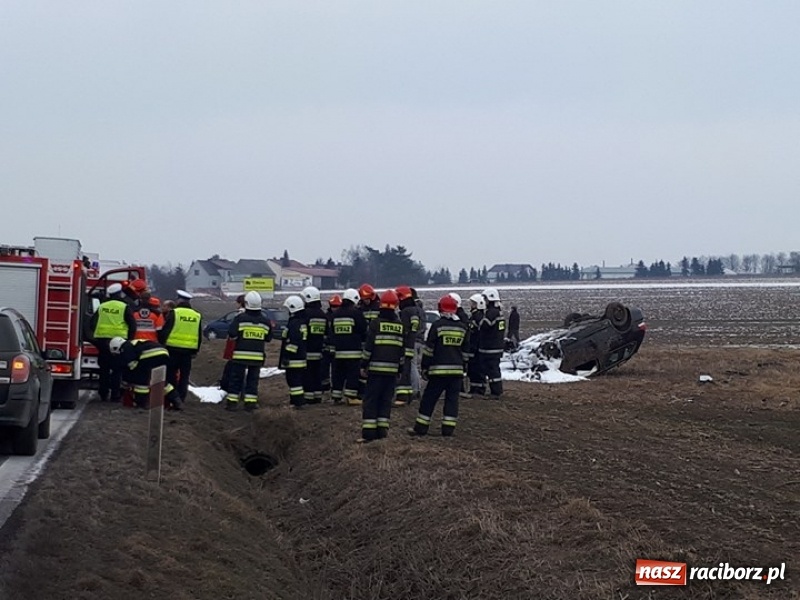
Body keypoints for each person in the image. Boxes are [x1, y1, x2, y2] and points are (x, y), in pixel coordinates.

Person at [409, 294, 469, 437]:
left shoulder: (437, 325)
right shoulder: (462, 327)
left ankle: (421, 428)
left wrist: (425, 367)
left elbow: (429, 349)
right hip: (456, 373)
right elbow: (466, 351)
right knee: (452, 401)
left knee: (429, 399)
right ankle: (448, 430)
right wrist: (464, 367)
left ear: (440, 308)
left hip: (438, 371)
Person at [358, 290, 405, 442]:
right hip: (391, 372)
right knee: (385, 401)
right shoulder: (400, 326)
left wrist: (363, 365)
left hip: (375, 371)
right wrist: (400, 369)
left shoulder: (375, 324)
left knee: (371, 400)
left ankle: (369, 434)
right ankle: (382, 433)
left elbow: (369, 348)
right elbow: (401, 351)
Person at [224, 291, 272, 411]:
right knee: (252, 381)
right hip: (257, 357)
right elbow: (269, 338)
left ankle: (232, 404)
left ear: (246, 303)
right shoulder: (265, 321)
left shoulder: (240, 318)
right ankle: (250, 404)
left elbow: (232, 334)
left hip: (240, 356)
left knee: (236, 380)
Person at [90, 282, 137, 402]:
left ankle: (103, 393)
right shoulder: (124, 306)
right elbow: (132, 324)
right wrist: (129, 340)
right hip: (119, 342)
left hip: (103, 341)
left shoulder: (102, 306)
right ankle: (115, 395)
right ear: (119, 293)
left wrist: (96, 336)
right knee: (117, 369)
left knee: (104, 369)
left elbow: (92, 323)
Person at [109, 337, 181, 410]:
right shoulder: (134, 343)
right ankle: (176, 400)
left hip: (149, 355)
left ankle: (141, 403)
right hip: (163, 353)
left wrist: (127, 381)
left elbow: (132, 366)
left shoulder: (125, 347)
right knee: (159, 381)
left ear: (116, 347)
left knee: (141, 380)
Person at [159, 290, 202, 405]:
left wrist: (161, 344)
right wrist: (195, 351)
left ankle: (173, 398)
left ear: (179, 300)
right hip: (188, 352)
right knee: (184, 377)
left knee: (171, 374)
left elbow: (166, 330)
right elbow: (199, 335)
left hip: (172, 349)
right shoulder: (196, 315)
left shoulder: (174, 313)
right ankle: (182, 398)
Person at [329, 288, 367, 405]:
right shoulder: (356, 313)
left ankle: (336, 396)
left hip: (338, 351)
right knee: (352, 374)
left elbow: (331, 332)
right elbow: (363, 329)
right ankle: (351, 397)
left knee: (338, 374)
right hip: (353, 351)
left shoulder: (335, 314)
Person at [279, 295, 308, 409]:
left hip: (294, 359)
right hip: (300, 358)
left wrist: (287, 356)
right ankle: (295, 401)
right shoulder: (301, 322)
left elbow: (293, 342)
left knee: (294, 382)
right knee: (296, 381)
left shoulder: (294, 323)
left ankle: (299, 403)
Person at [393, 286, 420, 406]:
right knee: (412, 367)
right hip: (417, 342)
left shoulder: (405, 312)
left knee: (407, 368)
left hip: (409, 343)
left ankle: (409, 393)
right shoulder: (416, 309)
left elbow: (404, 329)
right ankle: (412, 392)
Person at [478, 287, 506, 398]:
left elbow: (484, 326)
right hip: (497, 346)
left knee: (492, 369)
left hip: (490, 347)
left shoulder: (491, 313)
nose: (484, 301)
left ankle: (496, 392)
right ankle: (496, 390)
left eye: (485, 299)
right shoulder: (498, 312)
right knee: (494, 369)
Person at [301, 286, 327, 405]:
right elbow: (327, 333)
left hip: (307, 350)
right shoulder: (322, 314)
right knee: (317, 374)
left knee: (307, 375)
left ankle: (308, 397)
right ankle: (317, 396)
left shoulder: (305, 314)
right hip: (319, 350)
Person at [219, 294, 246, 393]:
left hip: (237, 346)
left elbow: (233, 332)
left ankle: (235, 390)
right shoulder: (249, 314)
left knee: (236, 371)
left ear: (240, 303)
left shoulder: (239, 315)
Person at [320, 294, 341, 396]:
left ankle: (335, 387)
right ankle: (325, 386)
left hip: (337, 348)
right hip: (326, 348)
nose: (335, 308)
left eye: (337, 306)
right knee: (324, 368)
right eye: (333, 306)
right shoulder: (326, 317)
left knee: (336, 370)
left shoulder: (340, 317)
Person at [466, 293, 486, 396]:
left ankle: (480, 389)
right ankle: (474, 388)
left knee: (478, 368)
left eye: (473, 303)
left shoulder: (479, 317)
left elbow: (479, 333)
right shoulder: (474, 316)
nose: (471, 305)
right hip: (473, 347)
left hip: (477, 347)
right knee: (473, 369)